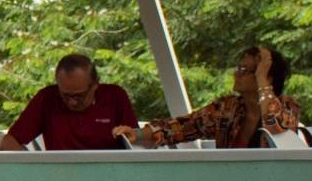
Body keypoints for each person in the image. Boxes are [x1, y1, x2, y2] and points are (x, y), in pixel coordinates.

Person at [116, 45, 299, 148]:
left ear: (267, 76)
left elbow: (276, 129)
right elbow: (185, 125)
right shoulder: (227, 108)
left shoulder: (288, 107)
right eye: (238, 68)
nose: (237, 74)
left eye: (245, 70)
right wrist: (138, 134)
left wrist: (262, 80)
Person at [0, 53, 138, 151]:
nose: (72, 103)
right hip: (61, 179)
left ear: (95, 84)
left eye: (79, 96)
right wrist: (36, 168)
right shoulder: (46, 98)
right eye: (65, 95)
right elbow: (8, 143)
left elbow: (138, 141)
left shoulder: (114, 96)